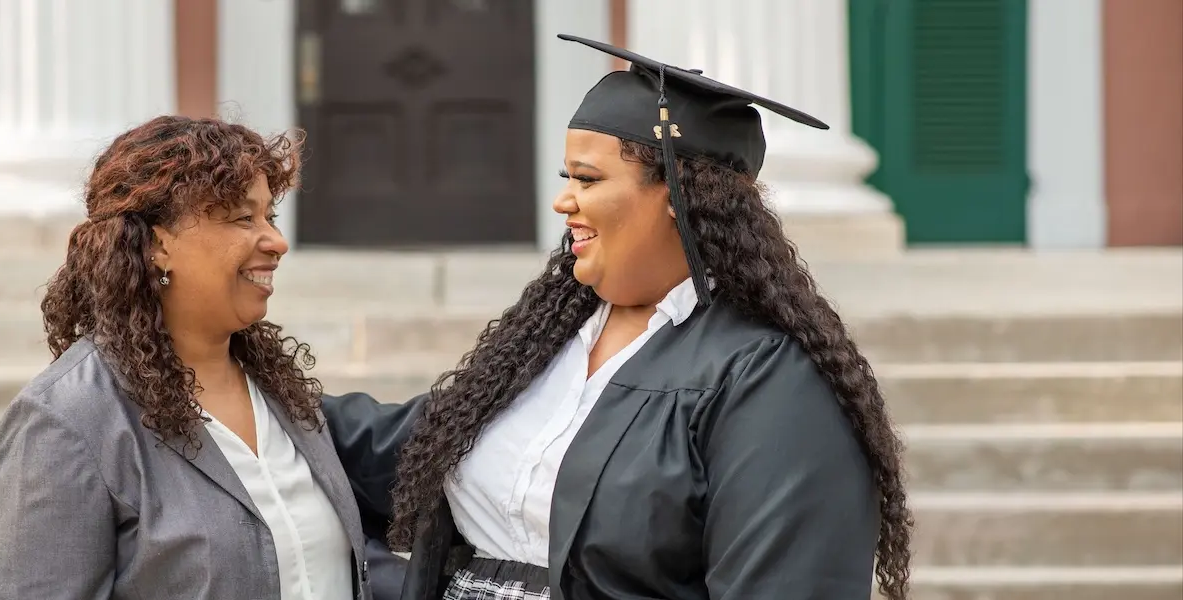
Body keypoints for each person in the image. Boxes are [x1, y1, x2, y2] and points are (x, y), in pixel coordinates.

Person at [322, 35, 913, 600]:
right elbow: (394, 448)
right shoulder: (544, 344)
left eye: (587, 179)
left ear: (679, 195)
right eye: (568, 178)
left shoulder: (765, 379)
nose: (564, 201)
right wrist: (265, 376)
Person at [0, 116, 377, 600]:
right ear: (158, 244)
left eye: (269, 217)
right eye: (242, 218)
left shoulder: (281, 393)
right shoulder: (65, 421)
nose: (277, 242)